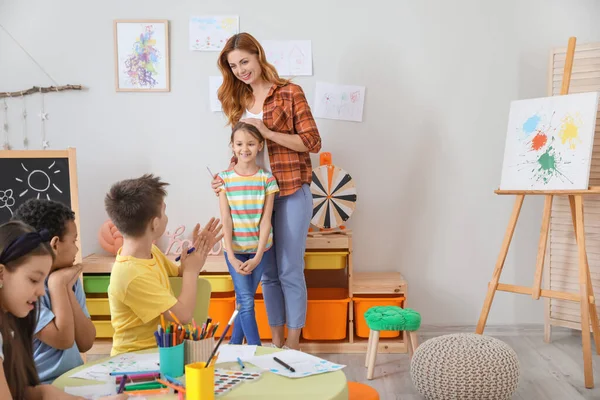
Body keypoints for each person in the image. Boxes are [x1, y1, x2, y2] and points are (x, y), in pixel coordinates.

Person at [215, 32, 322, 350]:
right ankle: (275, 345)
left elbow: (312, 143)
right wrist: (225, 179)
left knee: (290, 269)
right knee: (270, 274)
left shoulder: (289, 92)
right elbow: (242, 152)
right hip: (252, 198)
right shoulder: (238, 101)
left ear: (258, 56)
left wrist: (268, 131)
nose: (240, 70)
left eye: (244, 61)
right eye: (233, 66)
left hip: (290, 192)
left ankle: (293, 343)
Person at [0, 221, 127, 400]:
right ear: (1, 274)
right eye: (34, 280)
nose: (42, 291)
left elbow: (35, 393)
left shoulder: (10, 326)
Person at [104, 174, 222, 356]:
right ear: (155, 223)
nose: (166, 218)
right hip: (136, 359)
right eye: (164, 211)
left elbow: (178, 277)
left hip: (163, 352)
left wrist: (195, 254)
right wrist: (191, 271)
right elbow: (182, 316)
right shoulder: (131, 274)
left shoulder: (150, 252)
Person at [12, 199, 95, 384]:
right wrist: (58, 285)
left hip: (74, 377)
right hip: (40, 385)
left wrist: (66, 288)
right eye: (74, 240)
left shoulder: (68, 279)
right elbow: (63, 340)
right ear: (55, 244)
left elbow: (86, 341)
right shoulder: (24, 291)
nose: (76, 248)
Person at [218, 121, 279, 346]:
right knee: (246, 300)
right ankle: (256, 351)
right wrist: (232, 257)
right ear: (232, 147)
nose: (245, 148)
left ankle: (234, 346)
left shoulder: (267, 180)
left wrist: (258, 257)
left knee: (244, 301)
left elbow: (266, 221)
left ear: (260, 146)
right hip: (234, 250)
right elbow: (226, 219)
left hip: (259, 250)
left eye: (251, 144)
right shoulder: (224, 180)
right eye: (240, 144)